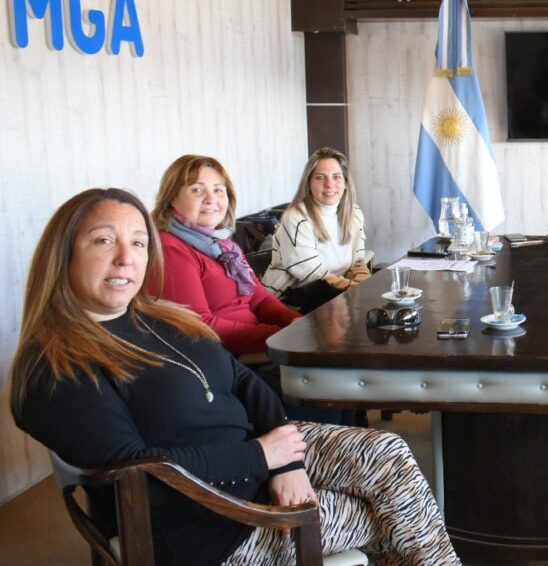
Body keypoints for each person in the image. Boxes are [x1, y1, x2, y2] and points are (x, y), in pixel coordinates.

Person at [9, 188, 461, 566]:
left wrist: (283, 457)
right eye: (104, 241)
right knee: (383, 512)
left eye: (139, 242)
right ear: (63, 253)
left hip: (256, 455)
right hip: (210, 528)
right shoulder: (53, 367)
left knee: (386, 451)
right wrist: (261, 458)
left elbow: (242, 381)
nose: (127, 258)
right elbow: (140, 473)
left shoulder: (160, 318)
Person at [151, 155, 301, 356]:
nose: (211, 199)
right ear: (171, 198)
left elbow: (259, 299)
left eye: (218, 190)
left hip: (261, 345)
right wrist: (280, 336)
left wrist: (294, 321)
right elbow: (200, 326)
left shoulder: (225, 247)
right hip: (231, 359)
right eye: (197, 190)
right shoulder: (170, 249)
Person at [262, 148, 370, 314]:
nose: (329, 184)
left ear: (346, 183)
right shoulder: (297, 218)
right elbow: (314, 276)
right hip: (291, 302)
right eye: (320, 177)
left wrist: (368, 287)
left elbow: (357, 263)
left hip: (333, 296)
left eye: (336, 177)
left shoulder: (354, 214)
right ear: (309, 183)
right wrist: (359, 291)